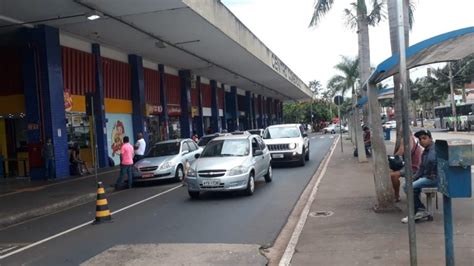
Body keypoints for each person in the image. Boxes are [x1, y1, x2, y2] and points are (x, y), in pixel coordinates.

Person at [401, 129, 438, 223]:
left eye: (424, 138)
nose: (422, 141)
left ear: (430, 138)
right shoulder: (425, 151)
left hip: (433, 178)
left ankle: (420, 210)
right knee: (410, 184)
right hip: (427, 177)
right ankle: (417, 211)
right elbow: (421, 168)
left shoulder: (433, 150)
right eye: (420, 139)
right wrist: (414, 178)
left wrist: (425, 175)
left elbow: (432, 161)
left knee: (407, 186)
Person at [389, 130, 424, 202]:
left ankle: (396, 196)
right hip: (416, 165)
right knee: (395, 172)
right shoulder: (415, 139)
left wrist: (392, 157)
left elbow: (401, 152)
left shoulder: (407, 139)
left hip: (413, 167)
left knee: (393, 175)